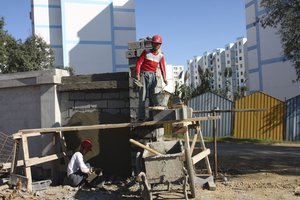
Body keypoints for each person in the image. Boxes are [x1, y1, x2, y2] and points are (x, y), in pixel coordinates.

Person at [135, 35, 168, 121]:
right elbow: (139, 63)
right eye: (155, 43)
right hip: (144, 75)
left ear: (160, 45)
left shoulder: (160, 56)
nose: (156, 45)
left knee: (152, 97)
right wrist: (137, 74)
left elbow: (162, 68)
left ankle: (151, 117)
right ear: (152, 44)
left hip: (153, 77)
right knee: (142, 96)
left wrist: (165, 78)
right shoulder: (146, 52)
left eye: (158, 44)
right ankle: (141, 117)